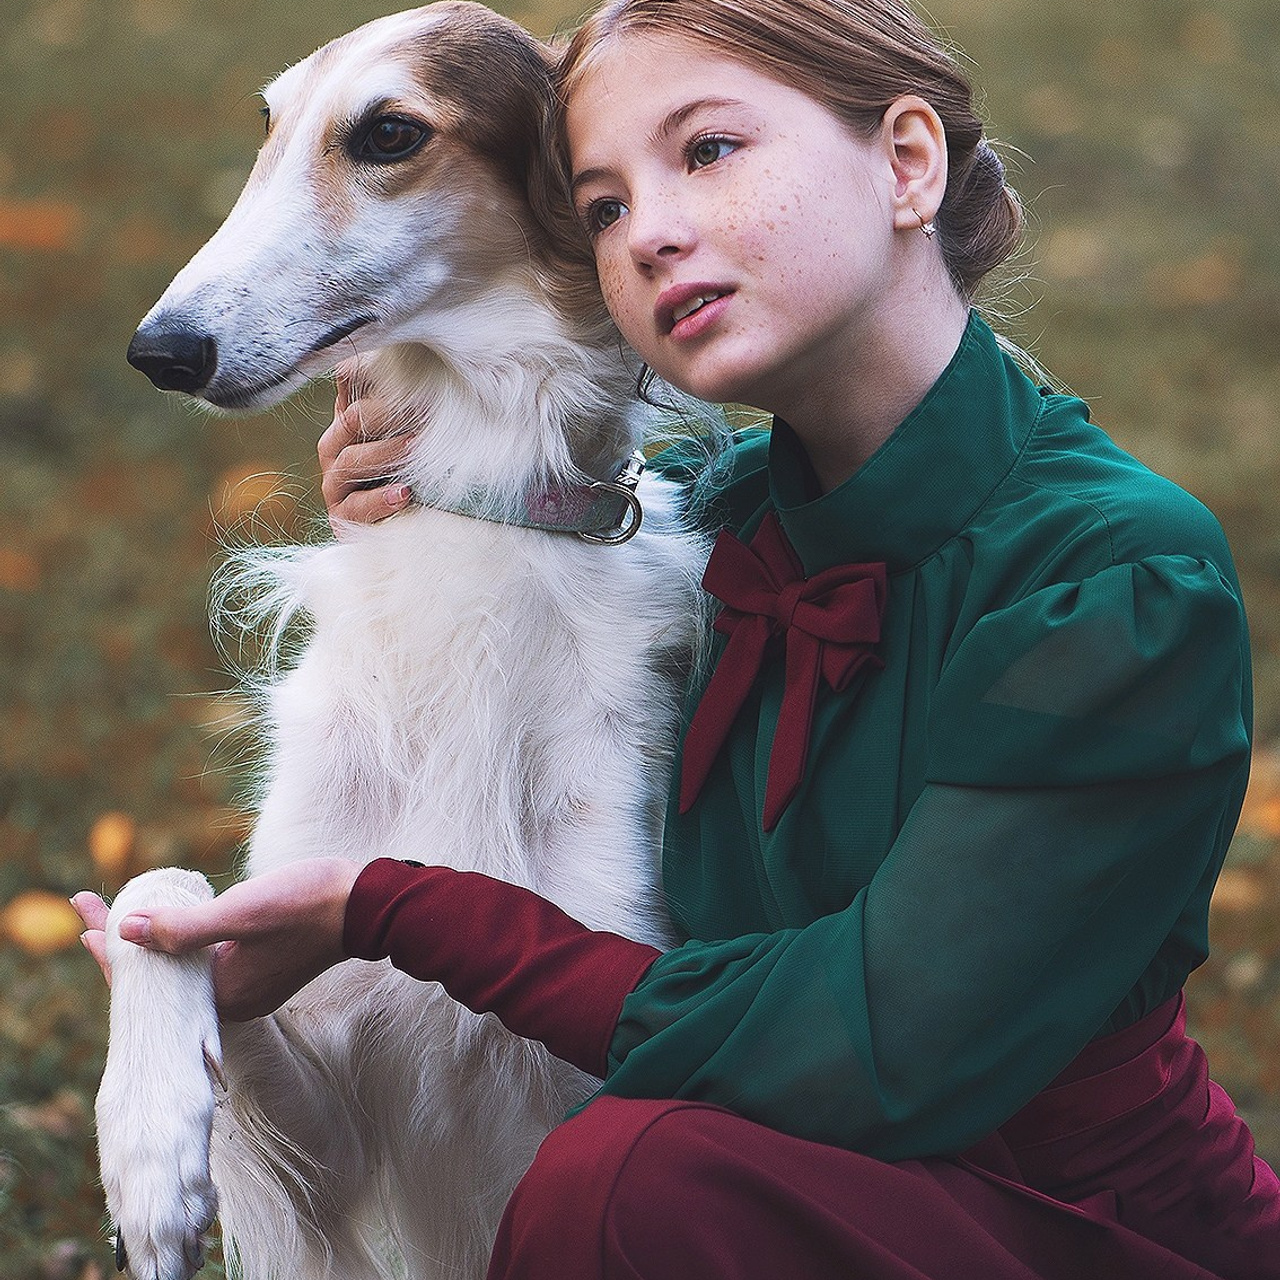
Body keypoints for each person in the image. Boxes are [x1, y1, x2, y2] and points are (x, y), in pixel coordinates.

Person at [76, 0, 1280, 1276]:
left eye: (708, 150)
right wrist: (445, 490)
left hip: (1084, 1235)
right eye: (599, 206)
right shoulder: (698, 526)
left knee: (631, 1177)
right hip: (787, 1197)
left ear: (905, 163)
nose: (647, 231)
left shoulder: (1114, 576)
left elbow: (883, 1046)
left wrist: (392, 909)